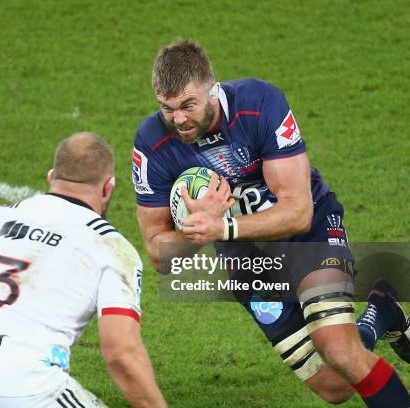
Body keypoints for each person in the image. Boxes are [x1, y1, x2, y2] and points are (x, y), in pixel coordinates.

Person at [132, 39, 409, 406]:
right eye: (167, 109)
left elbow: (298, 211)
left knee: (339, 349)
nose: (178, 119)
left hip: (308, 237)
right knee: (334, 387)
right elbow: (158, 254)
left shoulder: (259, 105)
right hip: (247, 258)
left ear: (212, 90)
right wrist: (196, 229)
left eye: (187, 105)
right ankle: (382, 310)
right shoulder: (151, 144)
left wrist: (223, 227)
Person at [0, 132, 167, 408]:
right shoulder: (113, 247)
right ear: (108, 188)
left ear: (50, 177)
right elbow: (121, 353)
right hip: (23, 388)